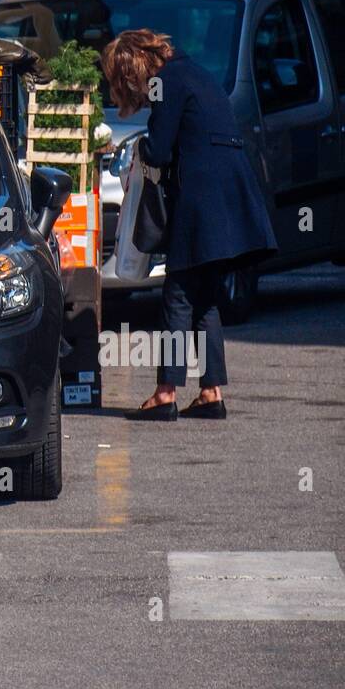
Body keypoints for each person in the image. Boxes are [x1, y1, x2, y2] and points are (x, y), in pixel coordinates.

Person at [100, 29, 277, 421]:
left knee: (177, 294)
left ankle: (166, 393)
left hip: (201, 199)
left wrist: (134, 150)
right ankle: (211, 391)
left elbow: (159, 150)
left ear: (133, 69)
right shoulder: (193, 72)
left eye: (123, 79)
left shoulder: (164, 83)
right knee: (205, 297)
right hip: (228, 195)